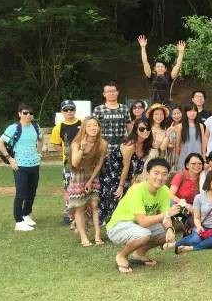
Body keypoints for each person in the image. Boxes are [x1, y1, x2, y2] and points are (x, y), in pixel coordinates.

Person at [107, 157, 180, 273]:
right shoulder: (136, 190)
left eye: (164, 174)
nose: (160, 177)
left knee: (165, 232)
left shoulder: (165, 190)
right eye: (156, 173)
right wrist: (166, 214)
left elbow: (165, 217)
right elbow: (144, 222)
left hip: (137, 226)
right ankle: (122, 256)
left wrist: (170, 229)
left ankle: (139, 253)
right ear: (147, 174)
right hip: (118, 226)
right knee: (144, 234)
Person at [0, 103, 43, 231]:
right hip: (20, 166)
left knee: (32, 192)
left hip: (34, 164)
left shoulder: (36, 126)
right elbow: (0, 143)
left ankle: (26, 214)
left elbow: (41, 139)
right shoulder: (13, 128)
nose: (28, 115)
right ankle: (18, 221)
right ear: (19, 114)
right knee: (21, 193)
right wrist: (10, 158)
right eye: (25, 113)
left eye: (31, 113)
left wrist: (39, 153)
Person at [98, 117, 153, 224]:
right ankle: (110, 222)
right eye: (142, 129)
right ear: (136, 130)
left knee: (128, 199)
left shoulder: (147, 146)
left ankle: (122, 222)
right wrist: (121, 186)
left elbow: (138, 169)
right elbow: (125, 167)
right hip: (113, 175)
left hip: (127, 176)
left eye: (148, 128)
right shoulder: (130, 145)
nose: (145, 131)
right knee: (115, 197)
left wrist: (133, 183)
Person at [67, 116, 108, 247]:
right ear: (84, 128)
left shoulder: (103, 143)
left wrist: (90, 180)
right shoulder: (77, 143)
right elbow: (75, 163)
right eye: (89, 126)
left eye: (95, 125)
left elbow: (99, 164)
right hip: (78, 176)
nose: (92, 128)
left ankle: (97, 235)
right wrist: (82, 148)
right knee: (80, 207)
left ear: (99, 127)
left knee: (95, 205)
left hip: (92, 175)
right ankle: (83, 237)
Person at [174, 170, 212, 252]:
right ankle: (176, 244)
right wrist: (199, 227)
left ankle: (192, 248)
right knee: (195, 240)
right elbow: (196, 217)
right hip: (202, 227)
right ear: (208, 181)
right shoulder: (199, 197)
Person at [49, 99, 82, 224]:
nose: (69, 111)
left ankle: (83, 213)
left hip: (83, 161)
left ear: (75, 110)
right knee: (68, 187)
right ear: (62, 112)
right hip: (68, 163)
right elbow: (55, 144)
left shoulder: (82, 123)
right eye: (66, 110)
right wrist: (66, 153)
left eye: (71, 109)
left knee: (84, 187)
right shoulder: (58, 127)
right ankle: (69, 214)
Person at [137, 35, 185, 105]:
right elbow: (145, 62)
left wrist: (181, 52)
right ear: (155, 69)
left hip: (166, 106)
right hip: (154, 106)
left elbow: (177, 65)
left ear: (165, 69)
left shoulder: (170, 77)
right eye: (158, 66)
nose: (160, 68)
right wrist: (143, 47)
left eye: (162, 66)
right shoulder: (151, 76)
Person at [92, 82, 132, 154]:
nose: (111, 93)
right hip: (103, 148)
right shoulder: (98, 109)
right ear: (104, 94)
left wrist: (130, 140)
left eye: (113, 91)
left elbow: (129, 127)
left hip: (121, 147)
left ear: (117, 92)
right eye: (108, 91)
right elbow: (93, 128)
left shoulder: (124, 108)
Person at [169, 153, 204, 229]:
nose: (197, 166)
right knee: (180, 223)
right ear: (187, 165)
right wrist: (185, 205)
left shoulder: (203, 177)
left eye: (199, 164)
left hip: (196, 207)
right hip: (180, 205)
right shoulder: (180, 175)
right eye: (193, 163)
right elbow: (170, 194)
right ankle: (178, 232)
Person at [177, 103, 205, 170]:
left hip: (198, 157)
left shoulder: (200, 126)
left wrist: (203, 157)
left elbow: (203, 143)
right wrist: (176, 161)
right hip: (184, 157)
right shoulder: (180, 126)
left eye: (194, 111)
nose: (192, 113)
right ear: (186, 112)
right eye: (190, 111)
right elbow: (177, 145)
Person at [166, 104, 183, 172]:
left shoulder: (185, 125)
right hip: (170, 153)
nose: (176, 116)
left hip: (181, 153)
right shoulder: (168, 125)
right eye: (174, 114)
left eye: (178, 113)